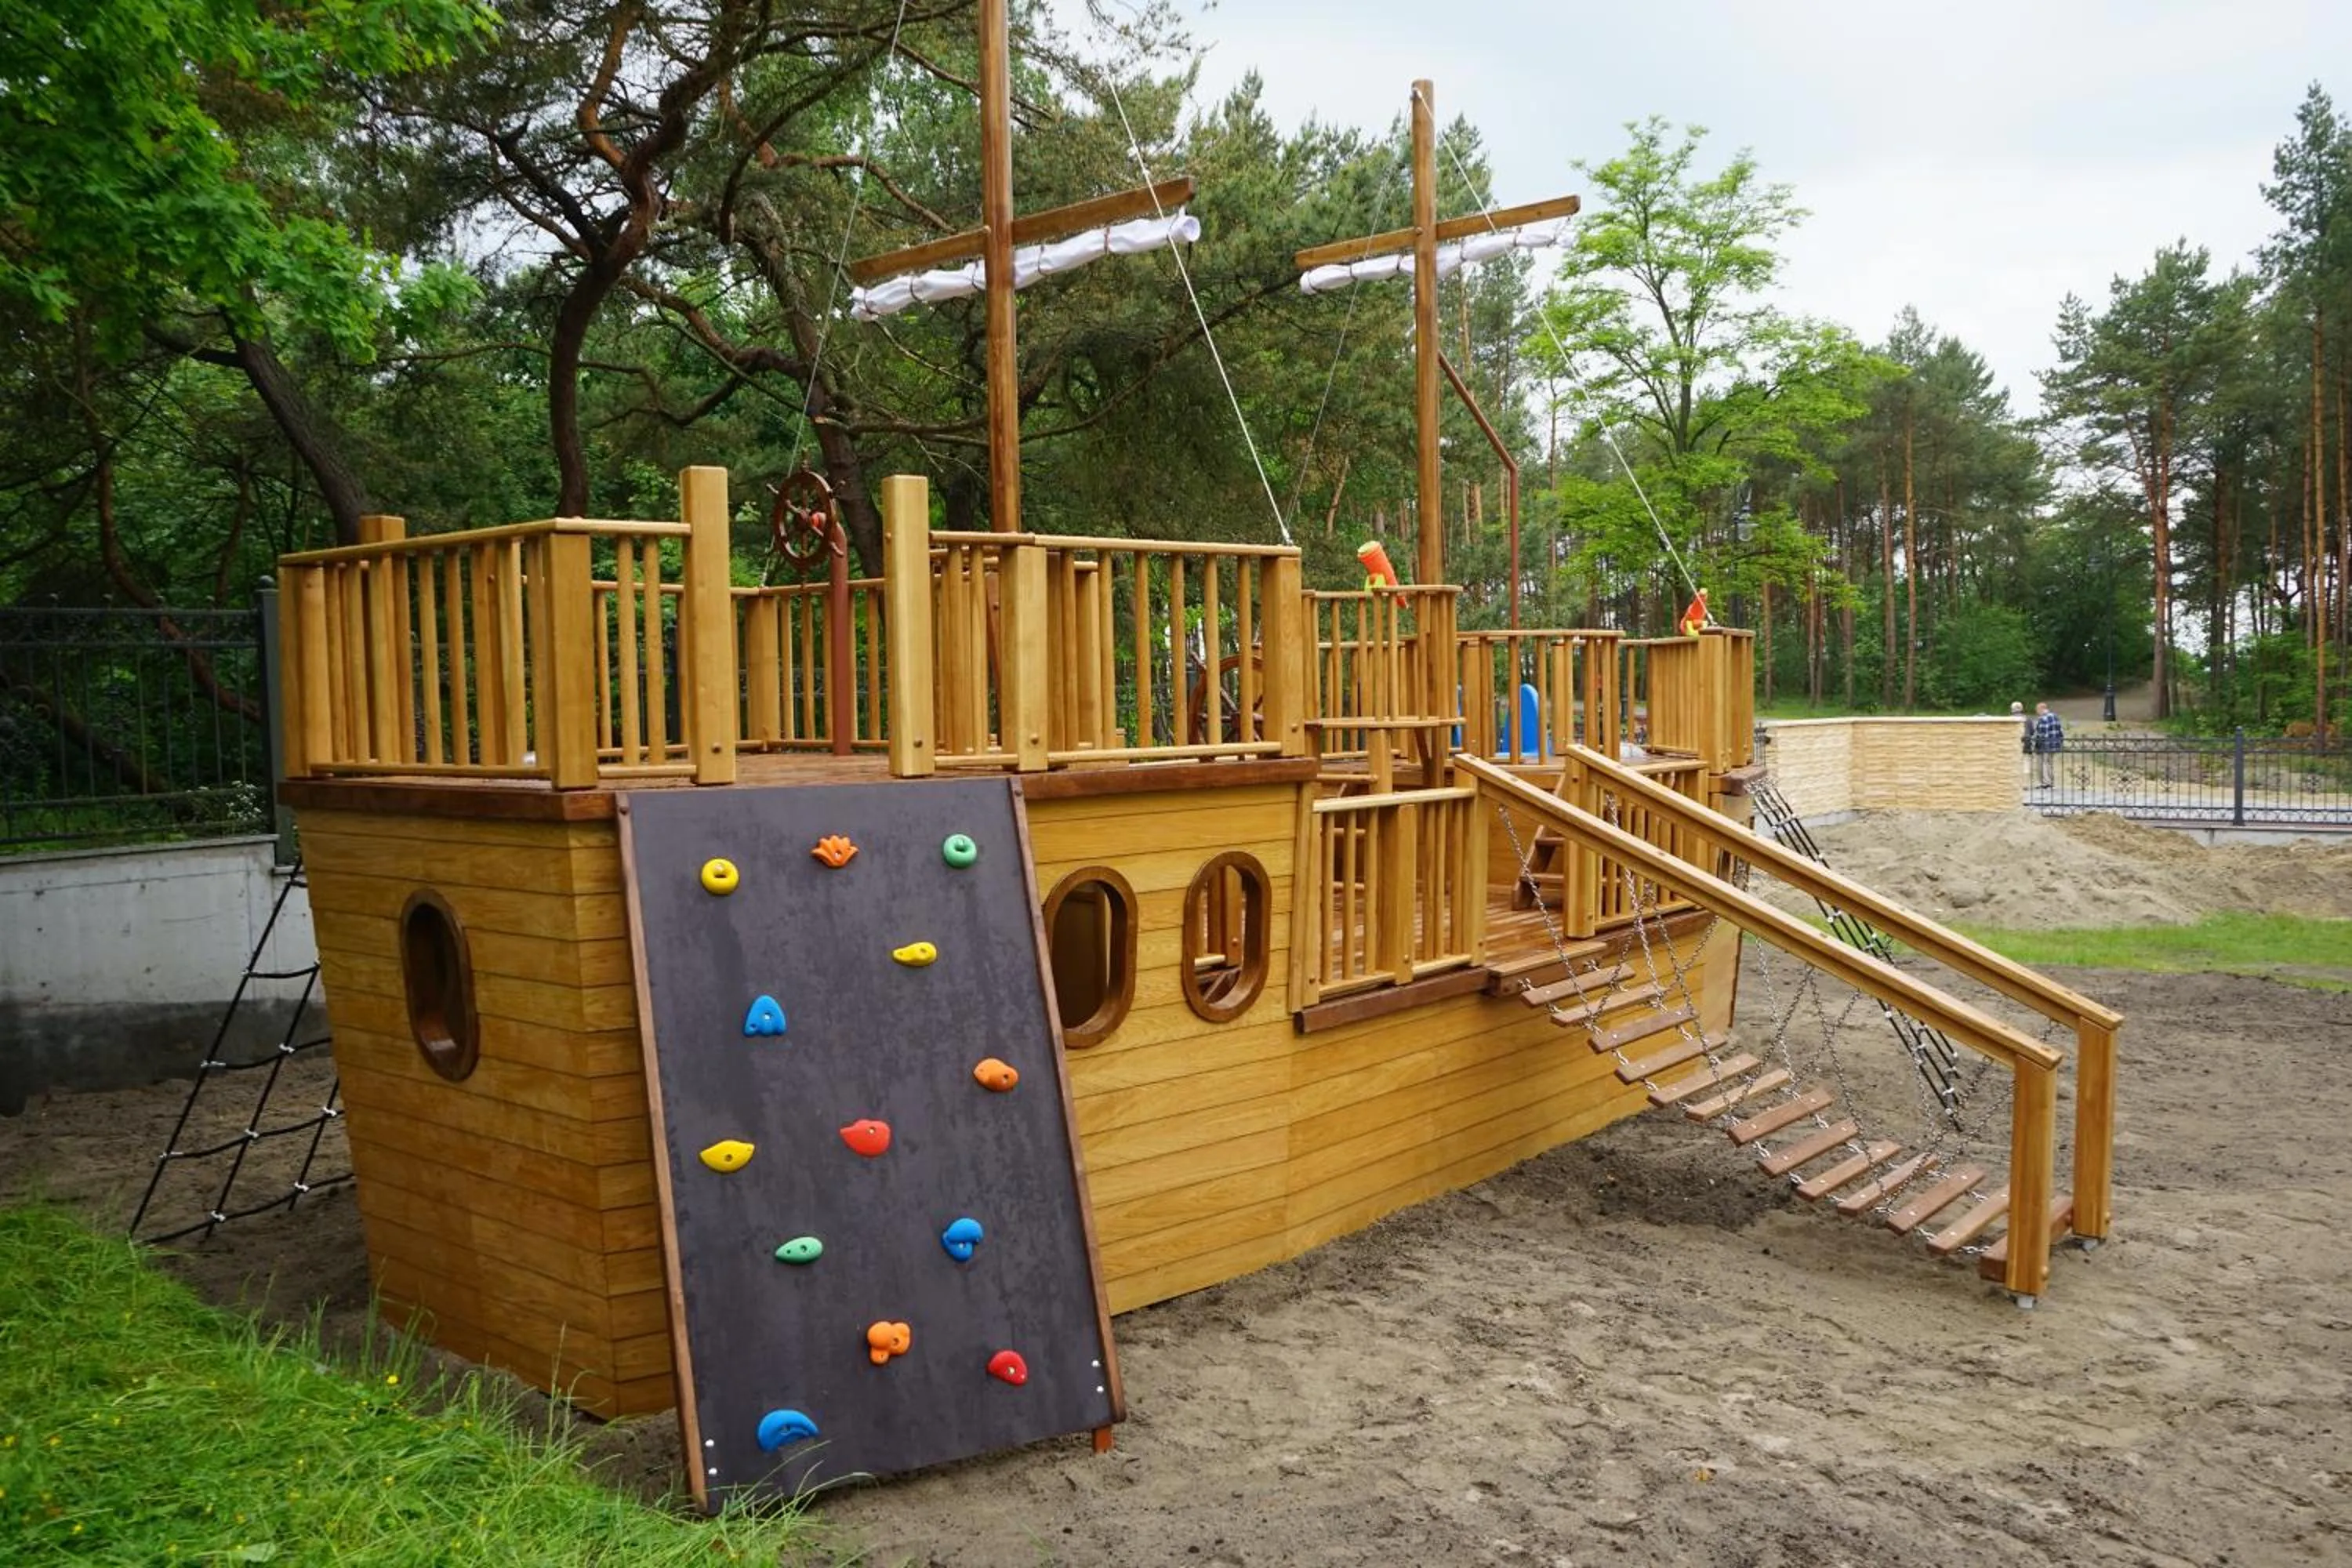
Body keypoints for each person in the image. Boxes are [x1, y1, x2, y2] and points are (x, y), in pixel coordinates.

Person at [2029, 702, 2064, 789]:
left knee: (2043, 763)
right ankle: (2051, 782)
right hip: (2054, 744)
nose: (2037, 712)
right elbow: (2060, 731)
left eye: (2037, 710)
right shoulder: (2055, 717)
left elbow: (2041, 733)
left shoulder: (2043, 719)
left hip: (2045, 744)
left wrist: (2035, 743)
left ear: (2041, 709)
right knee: (2050, 763)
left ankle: (2045, 783)